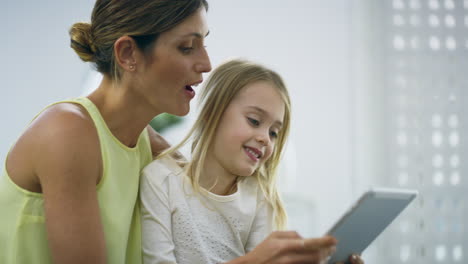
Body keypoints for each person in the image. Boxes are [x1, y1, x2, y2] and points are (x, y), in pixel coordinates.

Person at [0, 1, 210, 263]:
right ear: (127, 53)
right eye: (187, 47)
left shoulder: (145, 143)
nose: (206, 64)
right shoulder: (67, 133)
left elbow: (217, 208)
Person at [140, 59, 364, 264]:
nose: (265, 138)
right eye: (254, 121)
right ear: (211, 113)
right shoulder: (161, 179)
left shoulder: (257, 198)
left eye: (274, 133)